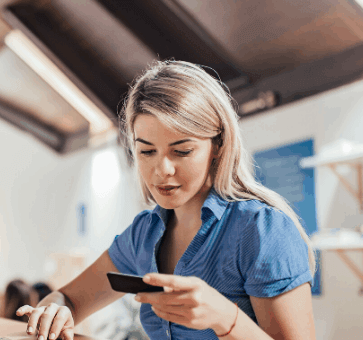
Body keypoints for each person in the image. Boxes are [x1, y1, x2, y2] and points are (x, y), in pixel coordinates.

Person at [16, 61, 316, 340]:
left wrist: (226, 318)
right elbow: (69, 297)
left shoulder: (261, 230)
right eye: (147, 151)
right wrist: (55, 307)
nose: (161, 170)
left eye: (182, 151)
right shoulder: (144, 234)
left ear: (219, 146)